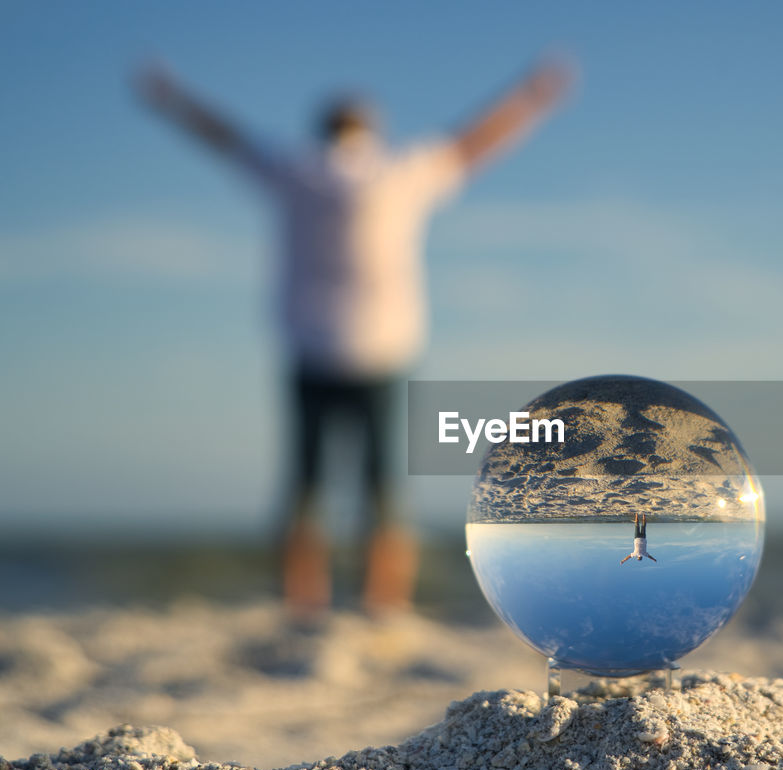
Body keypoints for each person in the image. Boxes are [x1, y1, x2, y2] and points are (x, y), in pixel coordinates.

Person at [136, 55, 573, 620]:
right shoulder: (402, 171)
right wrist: (533, 95)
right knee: (383, 486)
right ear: (372, 130)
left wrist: (172, 99)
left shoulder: (295, 170)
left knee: (304, 485)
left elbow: (224, 137)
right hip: (382, 350)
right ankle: (384, 600)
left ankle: (303, 601)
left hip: (312, 348)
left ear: (323, 130)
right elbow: (475, 141)